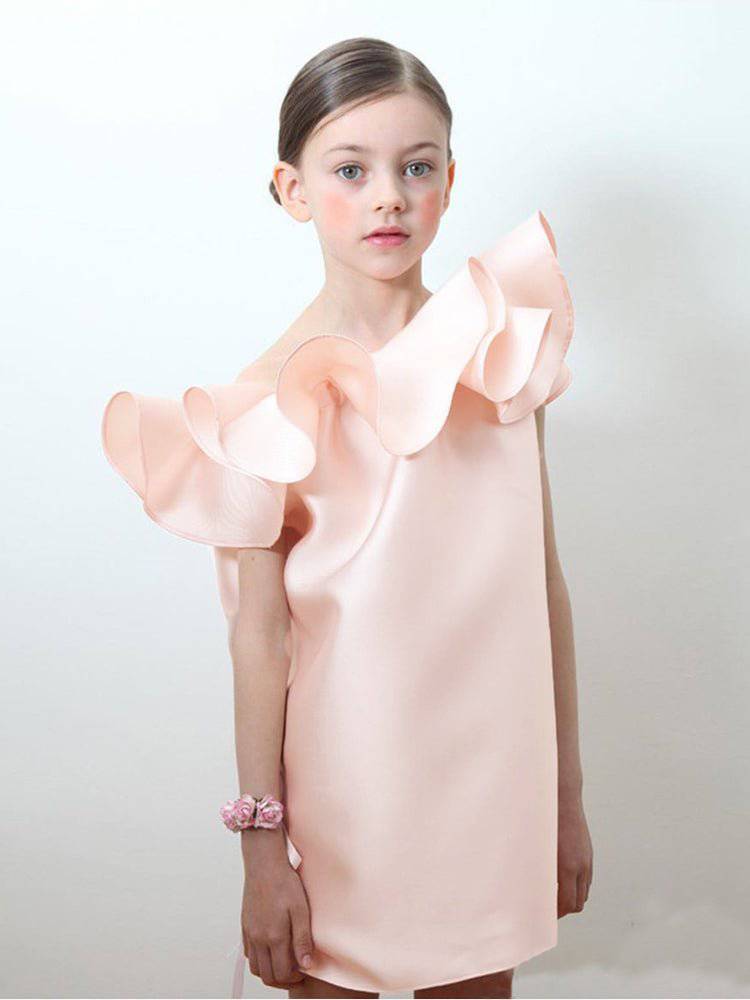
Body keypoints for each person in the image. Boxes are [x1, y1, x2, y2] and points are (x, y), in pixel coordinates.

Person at [101, 36, 593, 1000]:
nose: (389, 198)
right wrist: (261, 848)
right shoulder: (258, 404)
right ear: (292, 189)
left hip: (489, 788)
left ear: (449, 180)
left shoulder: (500, 354)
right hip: (346, 799)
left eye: (417, 167)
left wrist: (565, 796)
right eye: (351, 170)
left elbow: (541, 583)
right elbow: (261, 636)